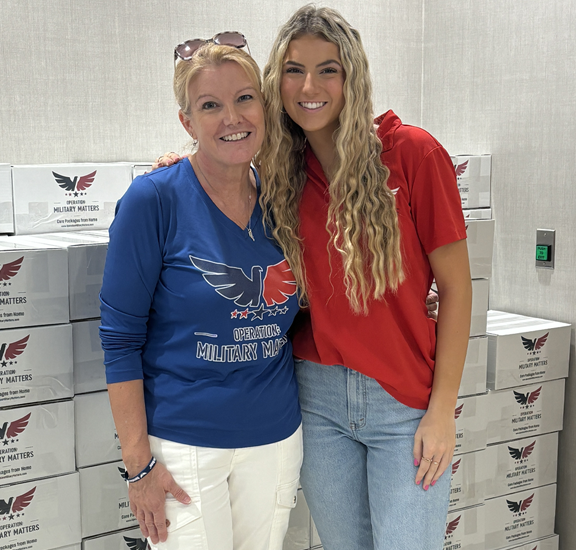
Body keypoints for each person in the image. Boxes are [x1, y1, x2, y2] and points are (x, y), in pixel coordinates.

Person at [254, 6, 473, 550]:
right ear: (276, 80)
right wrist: (176, 165)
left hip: (403, 403)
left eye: (328, 69)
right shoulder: (281, 171)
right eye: (293, 69)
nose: (310, 86)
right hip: (317, 399)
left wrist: (443, 409)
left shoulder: (413, 154)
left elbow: (458, 288)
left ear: (353, 76)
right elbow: (216, 155)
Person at [99, 38, 303, 550]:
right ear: (187, 122)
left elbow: (314, 297)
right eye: (210, 105)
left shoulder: (283, 199)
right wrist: (138, 466)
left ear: (264, 105)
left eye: (244, 98)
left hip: (275, 437)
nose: (231, 117)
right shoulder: (155, 201)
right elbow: (119, 340)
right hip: (184, 446)